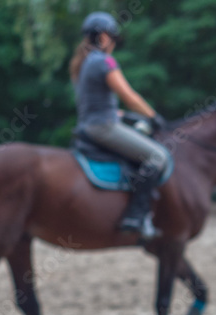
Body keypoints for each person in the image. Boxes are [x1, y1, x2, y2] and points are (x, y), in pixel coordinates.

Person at [70, 11, 171, 239]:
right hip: (102, 127)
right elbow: (130, 96)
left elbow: (99, 103)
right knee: (158, 157)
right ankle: (136, 216)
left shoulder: (85, 63)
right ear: (104, 37)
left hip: (92, 124)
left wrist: (124, 115)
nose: (114, 44)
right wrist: (154, 116)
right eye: (113, 39)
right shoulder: (104, 61)